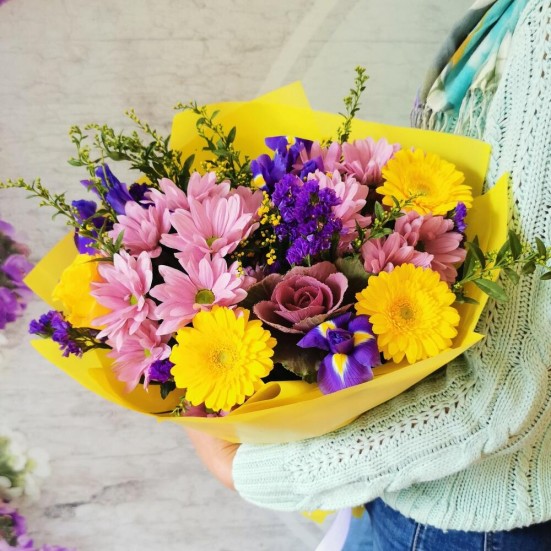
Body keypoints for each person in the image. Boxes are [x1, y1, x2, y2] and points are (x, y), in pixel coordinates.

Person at [187, 0, 551, 548]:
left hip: (466, 524)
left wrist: (249, 468)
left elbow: (498, 392)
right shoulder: (509, 16)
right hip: (418, 496)